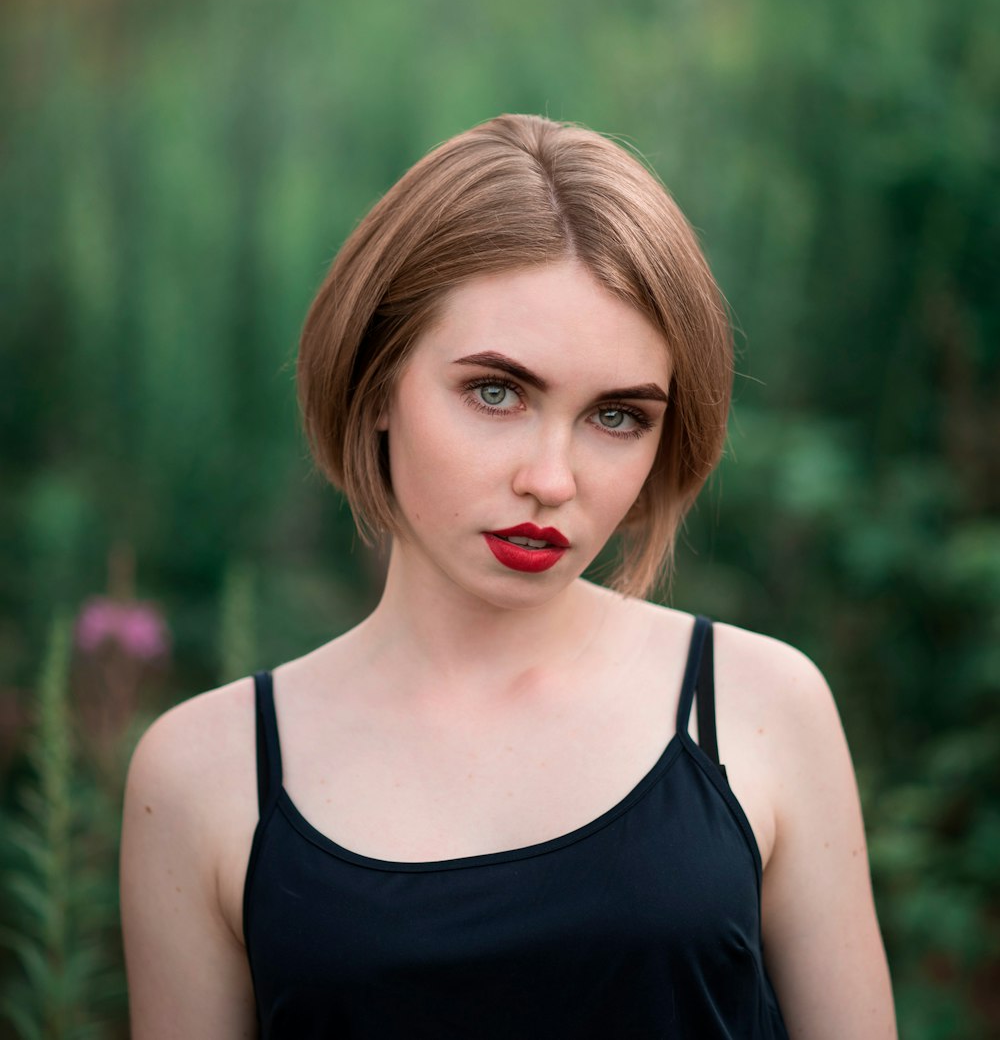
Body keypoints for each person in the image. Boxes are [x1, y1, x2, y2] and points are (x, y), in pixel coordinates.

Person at [120, 114, 897, 1038]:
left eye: (618, 416)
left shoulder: (761, 708)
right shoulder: (206, 774)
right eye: (496, 393)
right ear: (376, 386)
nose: (552, 478)